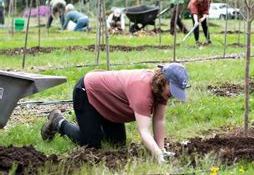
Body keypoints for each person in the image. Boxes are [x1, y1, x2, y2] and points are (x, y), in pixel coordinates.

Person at [41, 63, 189, 163]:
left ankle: (93, 126)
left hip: (110, 103)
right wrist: (158, 157)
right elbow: (144, 131)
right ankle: (58, 121)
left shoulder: (161, 91)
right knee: (91, 144)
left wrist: (161, 149)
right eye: (173, 89)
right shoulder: (142, 91)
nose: (174, 95)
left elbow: (159, 120)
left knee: (117, 144)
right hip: (88, 92)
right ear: (164, 81)